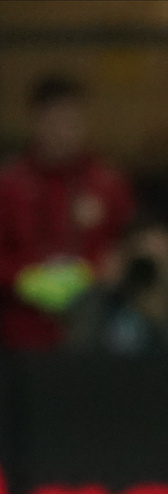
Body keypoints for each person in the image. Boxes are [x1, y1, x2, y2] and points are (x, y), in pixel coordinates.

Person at [0, 75, 134, 352]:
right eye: (54, 123)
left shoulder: (105, 183)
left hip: (92, 327)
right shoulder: (10, 185)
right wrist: (25, 278)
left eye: (71, 123)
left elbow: (127, 242)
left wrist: (99, 269)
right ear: (36, 122)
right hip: (19, 330)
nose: (63, 133)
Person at [65, 215, 168, 357]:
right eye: (142, 259)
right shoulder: (107, 301)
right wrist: (101, 291)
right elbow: (78, 355)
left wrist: (163, 319)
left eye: (158, 259)